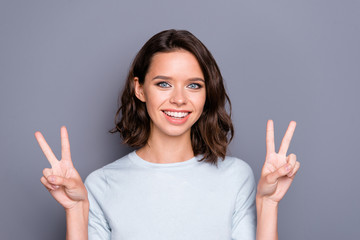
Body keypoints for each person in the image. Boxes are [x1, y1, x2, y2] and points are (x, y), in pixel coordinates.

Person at [35, 29, 300, 240]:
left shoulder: (236, 177)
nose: (179, 99)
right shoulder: (100, 185)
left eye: (193, 86)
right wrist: (75, 210)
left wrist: (268, 204)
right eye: (163, 84)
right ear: (139, 89)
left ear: (207, 94)